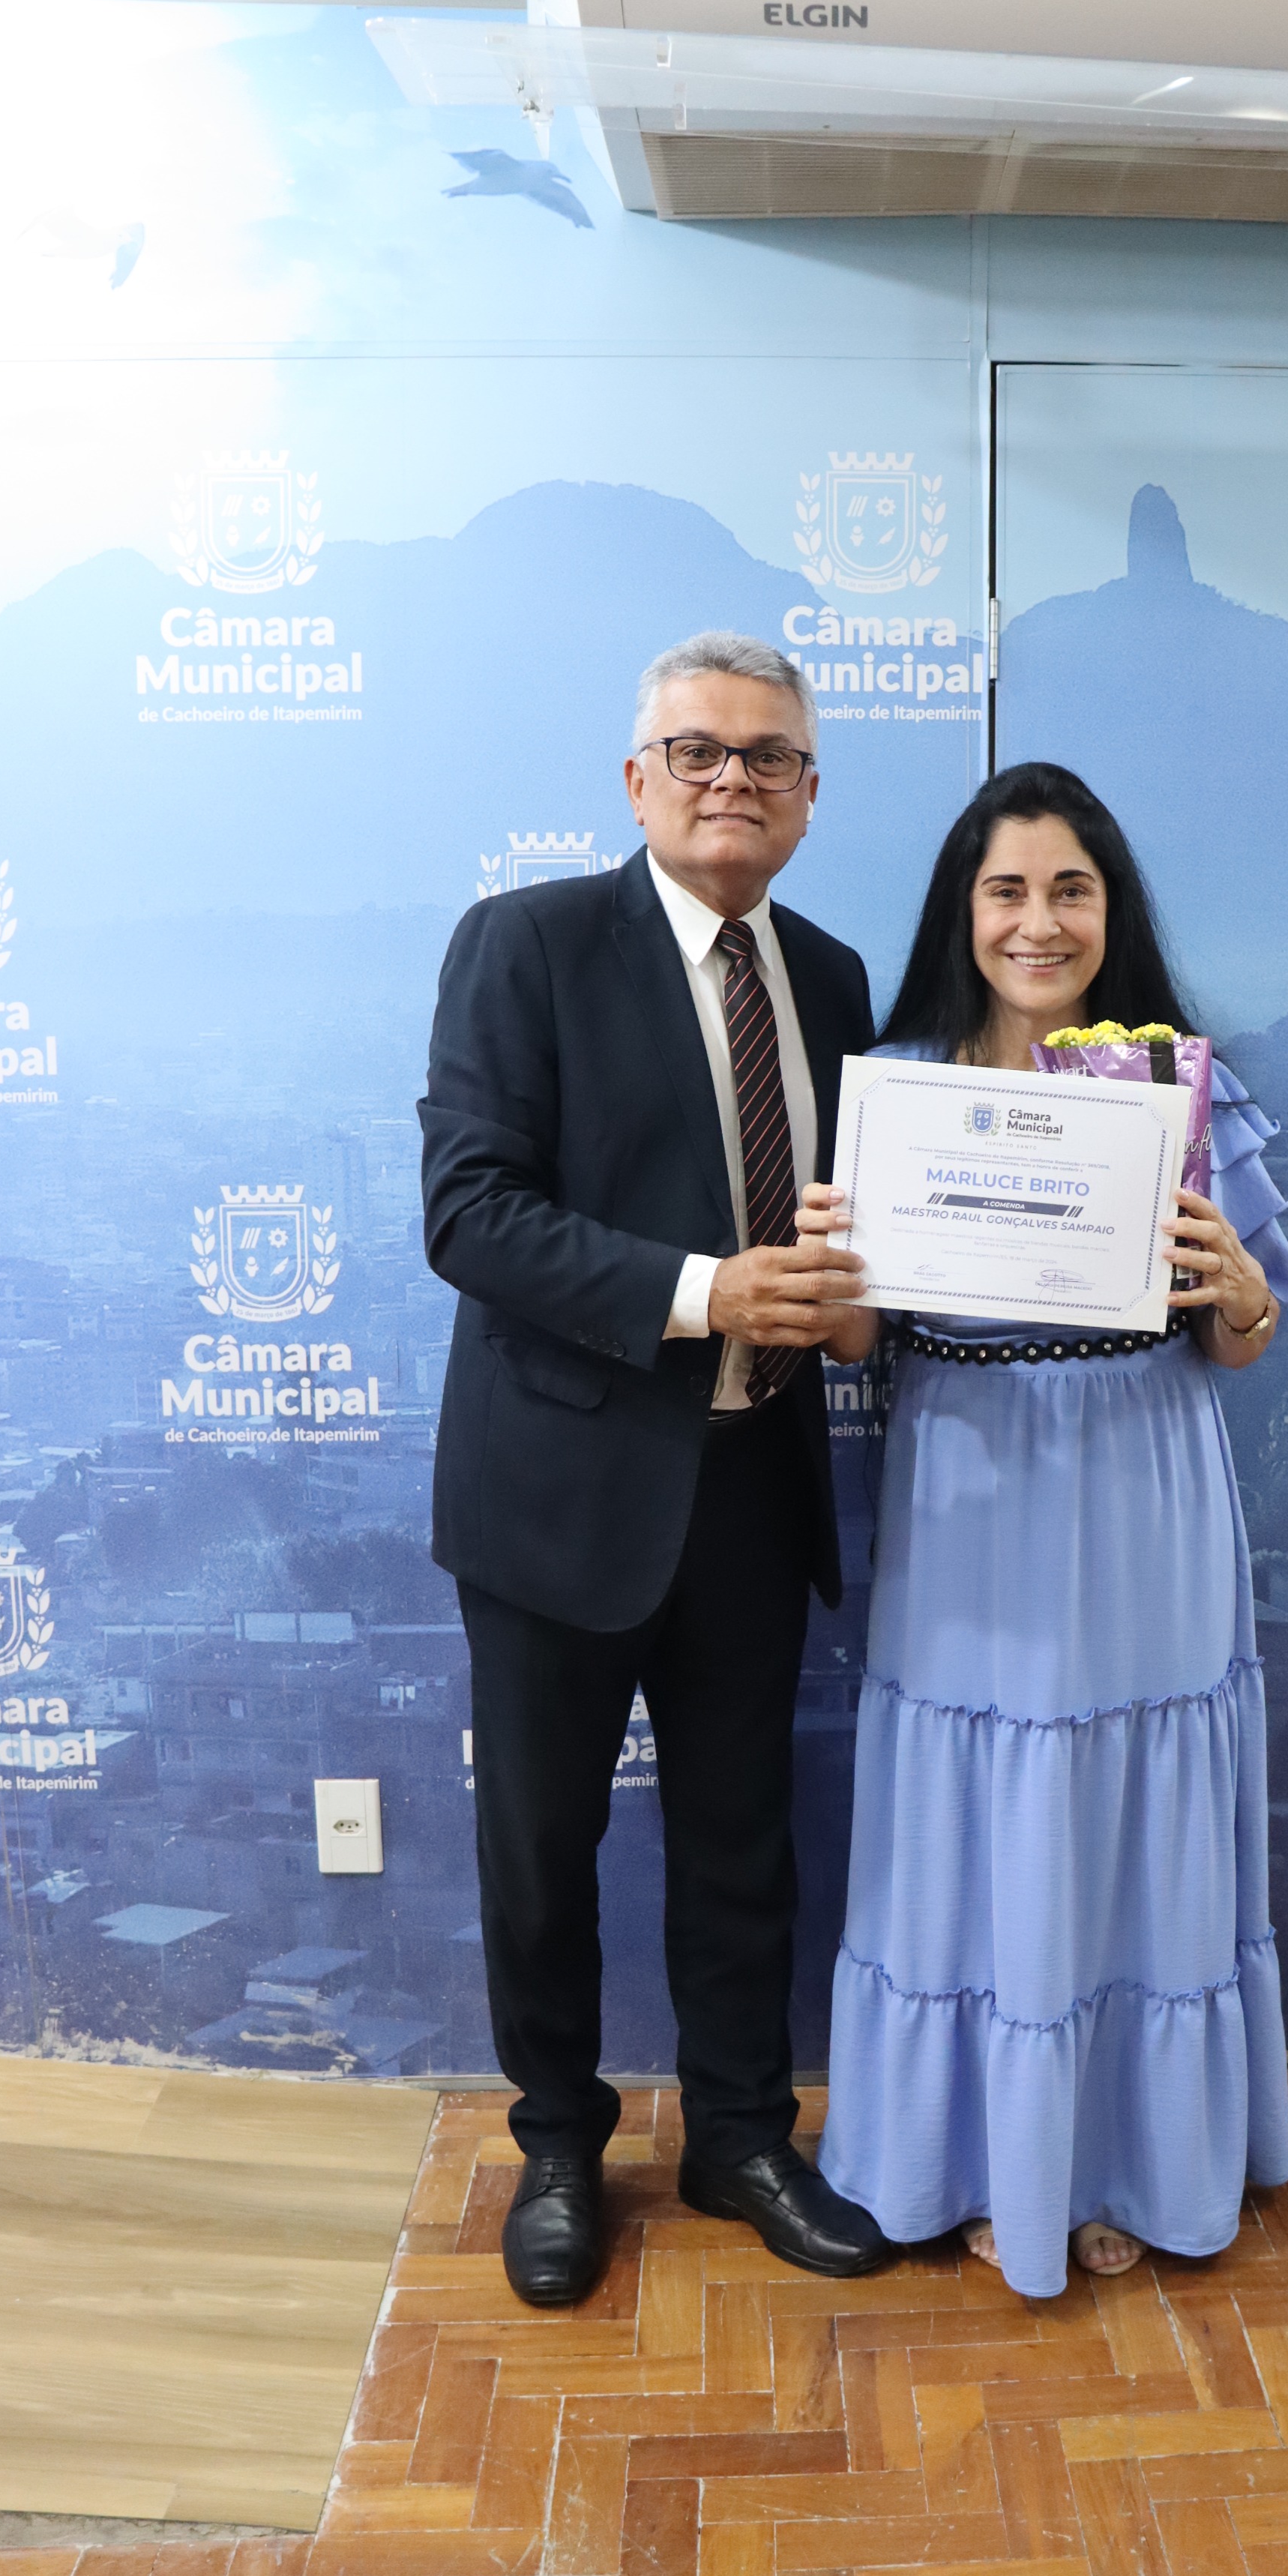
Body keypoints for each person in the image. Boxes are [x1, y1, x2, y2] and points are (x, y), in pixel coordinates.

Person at [420, 630, 892, 2303]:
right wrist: (708, 1294)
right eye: (698, 750)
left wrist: (860, 1301)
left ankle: (740, 2137)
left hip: (755, 1483)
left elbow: (861, 1228)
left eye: (768, 756)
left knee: (743, 1839)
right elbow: (470, 1214)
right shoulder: (528, 944)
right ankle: (558, 2146)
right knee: (541, 1848)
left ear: (810, 796)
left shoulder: (832, 978)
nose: (731, 780)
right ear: (638, 780)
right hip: (558, 1493)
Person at [802, 762, 1288, 2297]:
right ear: (963, 912)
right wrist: (830, 1275)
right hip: (971, 1491)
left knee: (1133, 1814)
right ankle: (977, 2159)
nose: (1039, 921)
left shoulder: (1181, 1092)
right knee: (980, 1810)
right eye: (1007, 890)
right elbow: (854, 1344)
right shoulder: (896, 1088)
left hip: (1145, 1486)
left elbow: (1242, 1344)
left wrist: (1240, 1290)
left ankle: (1122, 2158)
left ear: (1110, 910)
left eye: (1069, 889)